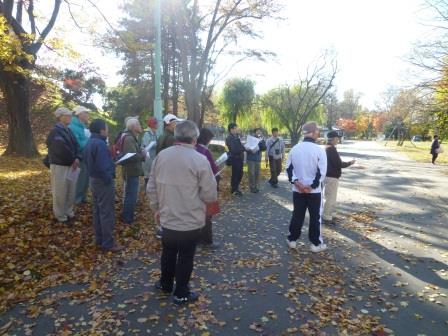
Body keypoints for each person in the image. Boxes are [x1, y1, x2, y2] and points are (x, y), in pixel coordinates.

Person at [147, 120, 218, 305]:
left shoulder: (161, 156)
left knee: (168, 252)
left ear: (176, 136)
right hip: (190, 219)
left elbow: (151, 187)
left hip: (167, 217)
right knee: (186, 256)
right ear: (194, 139)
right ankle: (181, 292)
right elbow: (210, 193)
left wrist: (156, 209)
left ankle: (165, 284)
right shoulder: (199, 159)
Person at [286, 121, 328, 253]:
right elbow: (322, 172)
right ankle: (315, 244)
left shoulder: (294, 149)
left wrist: (297, 183)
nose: (318, 133)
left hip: (298, 190)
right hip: (314, 191)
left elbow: (288, 168)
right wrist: (311, 186)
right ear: (313, 132)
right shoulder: (319, 150)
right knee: (315, 216)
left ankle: (292, 239)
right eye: (317, 131)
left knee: (297, 214)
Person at [84, 119, 123, 253]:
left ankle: (99, 239)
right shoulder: (100, 144)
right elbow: (102, 166)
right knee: (107, 212)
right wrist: (108, 177)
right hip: (102, 181)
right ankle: (108, 242)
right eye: (106, 128)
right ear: (101, 130)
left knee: (98, 211)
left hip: (93, 179)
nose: (108, 131)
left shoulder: (90, 142)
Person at [46, 107, 81, 225]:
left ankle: (69, 212)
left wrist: (77, 158)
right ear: (60, 117)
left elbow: (76, 146)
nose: (70, 117)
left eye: (70, 115)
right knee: (60, 191)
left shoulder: (68, 130)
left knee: (71, 190)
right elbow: (59, 148)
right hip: (60, 165)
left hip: (72, 165)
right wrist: (73, 159)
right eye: (68, 115)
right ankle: (60, 215)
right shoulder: (55, 131)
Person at [323, 131, 355, 225]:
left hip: (327, 175)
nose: (338, 140)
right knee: (330, 198)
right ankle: (327, 217)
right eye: (337, 138)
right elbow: (339, 164)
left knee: (329, 197)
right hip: (331, 176)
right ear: (333, 139)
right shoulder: (331, 149)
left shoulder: (327, 147)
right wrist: (350, 163)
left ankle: (328, 215)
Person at [196, 128, 220, 248]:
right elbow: (213, 169)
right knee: (207, 213)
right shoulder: (205, 151)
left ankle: (197, 237)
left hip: (193, 186)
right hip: (205, 184)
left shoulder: (194, 148)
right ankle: (207, 240)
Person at [121, 118, 145, 225]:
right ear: (133, 127)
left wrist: (140, 152)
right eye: (139, 124)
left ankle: (128, 216)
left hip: (133, 170)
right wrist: (142, 155)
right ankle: (127, 218)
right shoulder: (129, 138)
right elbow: (130, 156)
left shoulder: (132, 138)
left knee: (131, 194)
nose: (141, 126)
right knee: (131, 195)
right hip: (131, 171)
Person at [69, 106, 91, 204]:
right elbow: (77, 143)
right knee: (79, 178)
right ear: (79, 114)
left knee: (85, 178)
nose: (87, 115)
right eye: (85, 113)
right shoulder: (73, 126)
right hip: (77, 157)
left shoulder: (81, 126)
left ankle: (82, 197)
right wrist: (91, 141)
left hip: (84, 156)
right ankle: (76, 199)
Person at [225, 123, 245, 196]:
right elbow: (234, 149)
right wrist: (242, 148)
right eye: (235, 128)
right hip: (234, 159)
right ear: (231, 129)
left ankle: (236, 187)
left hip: (240, 158)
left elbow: (241, 146)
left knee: (240, 173)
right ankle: (234, 189)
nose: (237, 130)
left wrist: (243, 147)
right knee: (235, 174)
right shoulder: (229, 138)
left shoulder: (236, 137)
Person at [246, 128, 267, 193]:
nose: (259, 133)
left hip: (258, 158)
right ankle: (252, 187)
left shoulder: (261, 140)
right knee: (251, 173)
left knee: (257, 173)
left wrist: (261, 142)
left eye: (260, 132)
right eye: (258, 131)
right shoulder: (250, 139)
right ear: (255, 132)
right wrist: (249, 149)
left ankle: (256, 186)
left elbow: (264, 148)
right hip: (250, 158)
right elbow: (246, 147)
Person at [142, 117, 158, 189]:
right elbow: (145, 146)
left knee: (151, 174)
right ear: (153, 124)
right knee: (147, 174)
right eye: (156, 123)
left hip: (153, 157)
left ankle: (149, 189)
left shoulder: (154, 133)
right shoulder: (147, 134)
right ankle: (147, 190)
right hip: (148, 158)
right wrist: (156, 144)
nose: (158, 124)